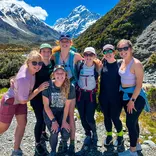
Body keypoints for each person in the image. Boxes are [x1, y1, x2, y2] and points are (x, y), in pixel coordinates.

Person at [0, 51, 49, 156]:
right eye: (34, 63)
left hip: (20, 100)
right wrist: (39, 89)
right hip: (11, 101)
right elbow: (24, 101)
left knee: (22, 124)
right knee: (3, 128)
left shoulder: (28, 68)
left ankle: (16, 150)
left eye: (40, 63)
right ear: (28, 62)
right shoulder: (24, 78)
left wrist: (13, 79)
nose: (37, 66)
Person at [117, 39, 150, 156]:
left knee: (130, 123)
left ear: (130, 49)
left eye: (125, 48)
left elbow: (139, 85)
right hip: (126, 95)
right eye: (120, 49)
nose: (122, 51)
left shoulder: (136, 64)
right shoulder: (122, 62)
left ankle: (132, 151)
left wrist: (132, 100)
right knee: (134, 121)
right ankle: (137, 144)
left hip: (135, 97)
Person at [52, 33, 83, 155]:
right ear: (59, 43)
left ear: (71, 43)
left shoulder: (75, 56)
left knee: (70, 115)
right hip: (58, 87)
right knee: (59, 112)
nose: (65, 43)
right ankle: (63, 140)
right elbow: (41, 60)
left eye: (67, 41)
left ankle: (72, 142)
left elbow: (88, 61)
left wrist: (98, 64)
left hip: (70, 88)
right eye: (62, 41)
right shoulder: (55, 56)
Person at [42, 65, 76, 156]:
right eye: (57, 73)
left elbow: (67, 107)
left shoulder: (70, 87)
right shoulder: (47, 86)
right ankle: (53, 151)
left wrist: (64, 121)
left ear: (65, 74)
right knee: (54, 131)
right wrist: (53, 121)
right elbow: (46, 107)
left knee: (66, 131)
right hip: (50, 113)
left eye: (62, 73)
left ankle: (63, 143)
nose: (60, 75)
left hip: (62, 113)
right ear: (53, 75)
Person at [99, 44, 125, 153]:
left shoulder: (120, 64)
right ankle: (109, 135)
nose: (108, 54)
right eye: (105, 52)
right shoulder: (101, 64)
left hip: (116, 98)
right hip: (104, 97)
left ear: (114, 52)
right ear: (103, 54)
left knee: (115, 118)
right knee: (106, 117)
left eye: (110, 51)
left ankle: (120, 136)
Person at [30, 43, 55, 155]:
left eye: (48, 51)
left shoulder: (52, 64)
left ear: (51, 53)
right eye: (43, 51)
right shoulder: (37, 64)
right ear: (40, 52)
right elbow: (26, 73)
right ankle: (37, 143)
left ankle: (43, 132)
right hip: (36, 96)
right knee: (40, 119)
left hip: (47, 96)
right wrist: (13, 79)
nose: (46, 53)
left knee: (45, 116)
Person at [76, 47, 100, 152]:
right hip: (80, 95)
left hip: (91, 95)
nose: (88, 57)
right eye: (86, 54)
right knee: (82, 117)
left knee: (89, 117)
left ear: (94, 56)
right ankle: (87, 134)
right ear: (83, 56)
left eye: (91, 55)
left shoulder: (97, 68)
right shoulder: (79, 66)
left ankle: (94, 132)